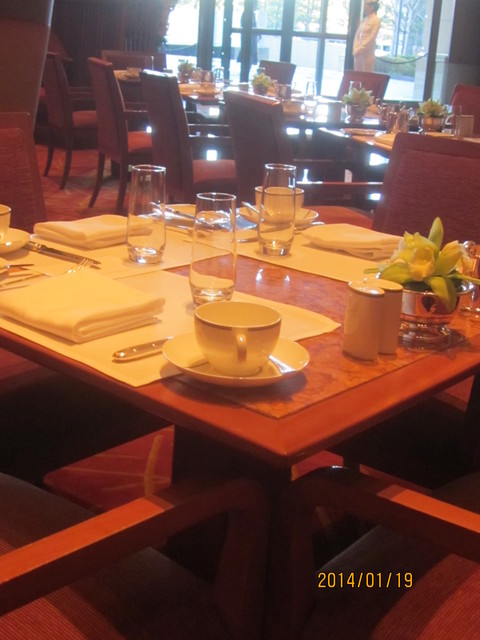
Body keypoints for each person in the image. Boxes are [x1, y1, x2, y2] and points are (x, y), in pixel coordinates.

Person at [353, 0, 381, 72]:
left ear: (372, 7)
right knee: (357, 74)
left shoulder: (376, 20)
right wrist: (355, 49)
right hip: (358, 53)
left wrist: (360, 49)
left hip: (367, 54)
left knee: (366, 75)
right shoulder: (364, 20)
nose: (364, 7)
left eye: (366, 5)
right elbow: (357, 35)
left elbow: (372, 38)